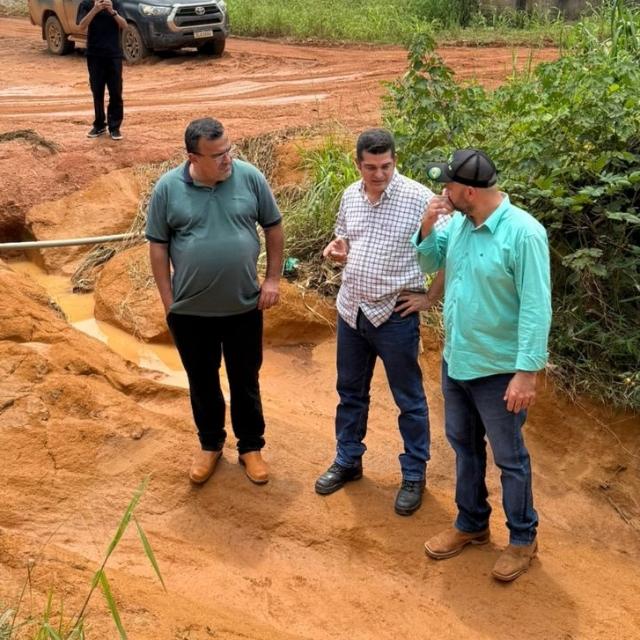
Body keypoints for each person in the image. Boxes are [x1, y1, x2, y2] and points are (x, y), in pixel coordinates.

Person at [413, 149, 551, 581]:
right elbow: (432, 263)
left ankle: (523, 538)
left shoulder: (524, 234)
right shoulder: (459, 225)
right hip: (458, 360)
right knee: (464, 447)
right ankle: (471, 524)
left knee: (510, 459)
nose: (443, 191)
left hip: (499, 370)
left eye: (448, 186)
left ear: (468, 191)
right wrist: (428, 224)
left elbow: (536, 307)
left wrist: (526, 372)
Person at [315, 128, 450, 516]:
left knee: (409, 400)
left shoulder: (419, 198)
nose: (379, 175)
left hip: (394, 315)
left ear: (395, 161)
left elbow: (449, 253)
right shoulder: (349, 196)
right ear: (358, 164)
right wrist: (339, 249)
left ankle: (413, 475)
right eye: (371, 167)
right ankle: (348, 460)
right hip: (351, 310)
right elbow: (347, 241)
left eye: (386, 166)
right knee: (350, 393)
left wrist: (429, 297)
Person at [146, 117, 284, 485]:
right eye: (218, 155)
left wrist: (272, 278)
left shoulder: (249, 177)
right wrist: (167, 300)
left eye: (229, 150)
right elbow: (158, 245)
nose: (228, 159)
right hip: (190, 312)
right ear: (193, 157)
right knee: (202, 381)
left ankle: (250, 448)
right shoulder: (168, 189)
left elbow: (273, 226)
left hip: (243, 306)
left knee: (245, 379)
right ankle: (210, 446)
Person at [77, 0, 127, 140]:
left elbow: (124, 25)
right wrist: (94, 10)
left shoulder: (116, 4)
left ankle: (115, 127)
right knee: (97, 92)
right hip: (94, 55)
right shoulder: (85, 4)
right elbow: (81, 26)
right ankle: (99, 125)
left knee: (116, 92)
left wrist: (112, 12)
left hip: (113, 55)